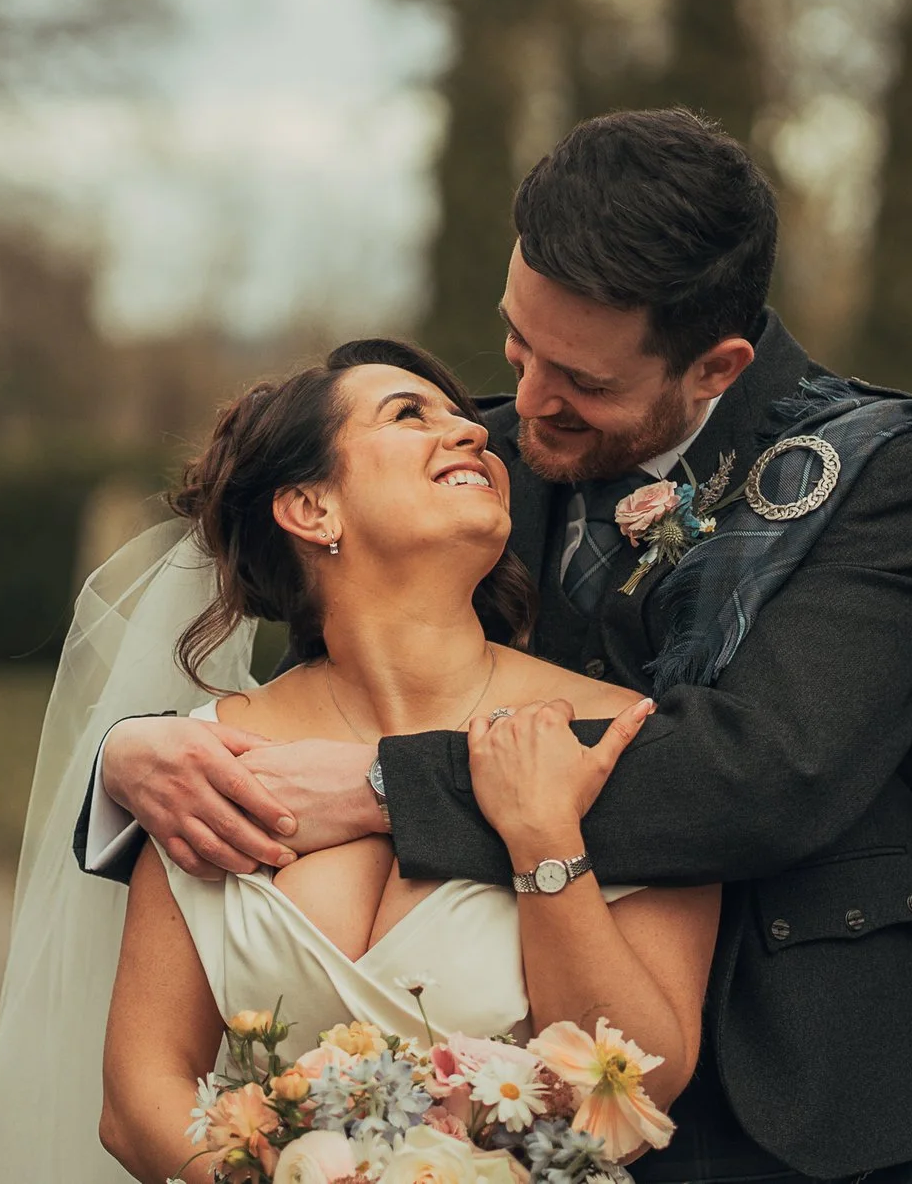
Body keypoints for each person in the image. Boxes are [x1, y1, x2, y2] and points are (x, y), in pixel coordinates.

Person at [73, 110, 912, 1184]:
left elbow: (771, 768)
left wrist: (388, 788)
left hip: (825, 1112)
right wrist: (130, 755)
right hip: (506, 1107)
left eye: (579, 379)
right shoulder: (474, 464)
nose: (522, 404)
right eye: (515, 342)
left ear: (715, 365)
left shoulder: (882, 474)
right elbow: (329, 671)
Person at [97, 340, 720, 1183]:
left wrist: (543, 837)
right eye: (409, 414)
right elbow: (140, 1095)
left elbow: (643, 1079)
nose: (471, 433)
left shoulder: (618, 730)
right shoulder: (199, 765)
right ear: (312, 508)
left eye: (464, 419)